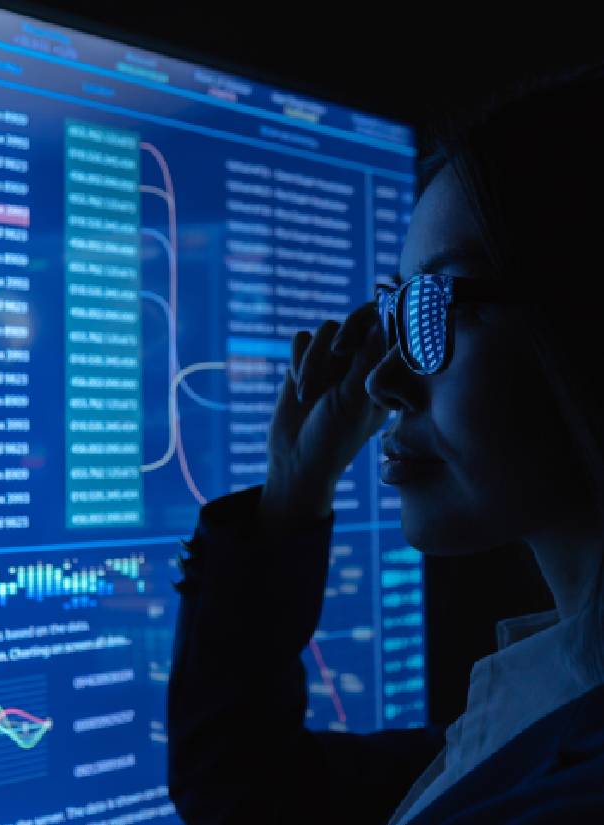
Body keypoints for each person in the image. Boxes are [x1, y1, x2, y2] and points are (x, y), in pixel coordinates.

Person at [166, 60, 604, 824]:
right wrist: (292, 489)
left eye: (434, 306)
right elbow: (246, 786)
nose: (382, 381)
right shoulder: (546, 706)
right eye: (395, 310)